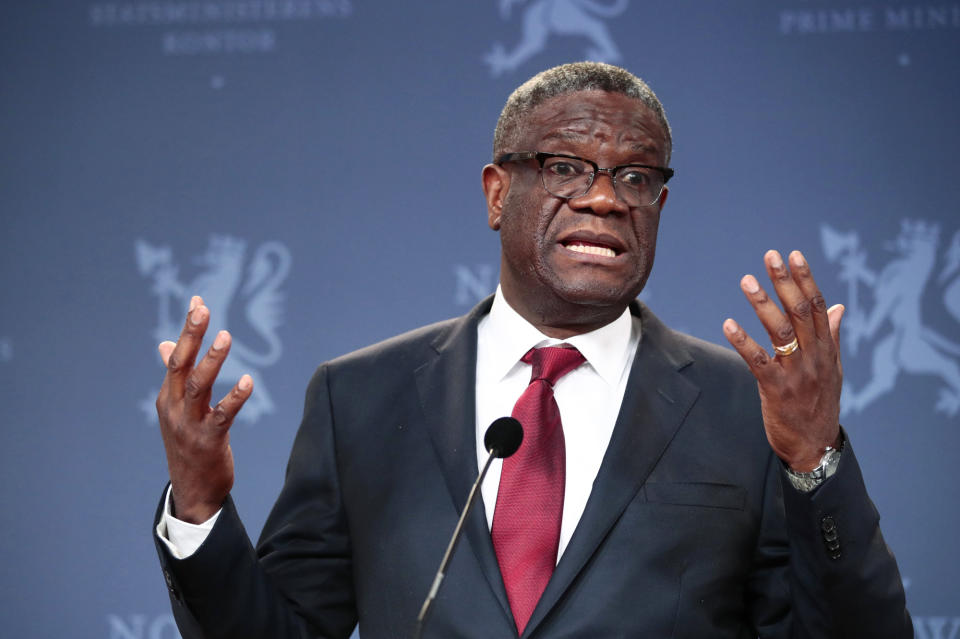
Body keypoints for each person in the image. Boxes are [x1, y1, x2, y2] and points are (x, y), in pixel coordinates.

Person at [153, 62, 911, 638]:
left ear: (659, 207)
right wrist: (198, 506)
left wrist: (815, 460)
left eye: (636, 177)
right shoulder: (358, 399)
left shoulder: (745, 407)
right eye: (565, 167)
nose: (606, 197)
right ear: (495, 193)